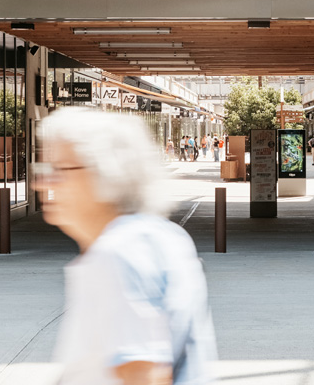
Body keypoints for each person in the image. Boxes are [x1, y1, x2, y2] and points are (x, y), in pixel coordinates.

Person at [36, 107, 216, 385]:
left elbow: (145, 374)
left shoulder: (117, 254)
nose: (42, 182)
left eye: (59, 169)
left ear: (105, 172)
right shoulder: (163, 237)